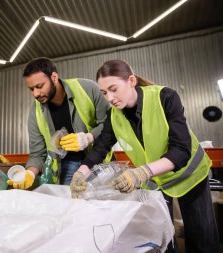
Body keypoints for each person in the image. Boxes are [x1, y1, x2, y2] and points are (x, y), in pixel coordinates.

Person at [70, 59, 220, 253]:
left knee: (201, 239)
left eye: (114, 89)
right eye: (105, 93)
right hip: (158, 180)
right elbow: (100, 148)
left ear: (131, 80)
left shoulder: (165, 97)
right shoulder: (115, 115)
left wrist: (140, 173)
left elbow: (181, 149)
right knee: (163, 237)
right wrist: (81, 173)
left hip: (190, 176)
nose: (110, 98)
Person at [8, 57, 110, 189]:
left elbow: (110, 124)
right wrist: (29, 174)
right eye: (31, 89)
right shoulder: (35, 112)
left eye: (39, 86)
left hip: (98, 162)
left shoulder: (87, 89)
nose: (35, 94)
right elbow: (37, 153)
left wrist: (89, 137)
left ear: (54, 77)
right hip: (67, 167)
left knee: (104, 203)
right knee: (71, 206)